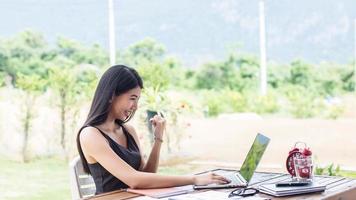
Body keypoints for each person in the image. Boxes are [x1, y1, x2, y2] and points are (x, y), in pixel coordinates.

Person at [76, 65, 230, 194]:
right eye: (132, 98)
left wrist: (158, 139)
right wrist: (194, 179)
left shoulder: (128, 131)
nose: (135, 106)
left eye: (137, 100)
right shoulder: (91, 135)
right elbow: (134, 180)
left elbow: (147, 176)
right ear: (111, 95)